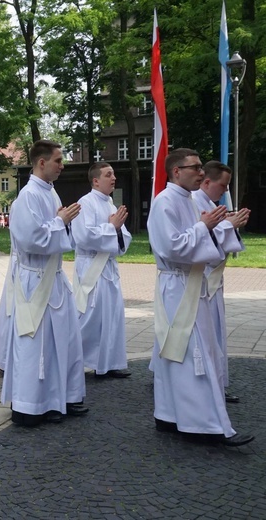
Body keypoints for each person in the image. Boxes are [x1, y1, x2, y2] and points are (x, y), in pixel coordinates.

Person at [148, 148, 252, 447]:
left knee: (182, 351)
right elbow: (171, 247)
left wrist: (223, 227)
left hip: (191, 283)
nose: (202, 173)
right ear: (176, 171)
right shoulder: (164, 202)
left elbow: (198, 238)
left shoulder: (188, 201)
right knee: (192, 353)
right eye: (195, 168)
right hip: (179, 285)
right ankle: (203, 424)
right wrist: (205, 227)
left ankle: (168, 414)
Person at [0, 139, 86, 427]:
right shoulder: (27, 197)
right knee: (36, 344)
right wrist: (60, 222)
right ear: (41, 162)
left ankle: (58, 398)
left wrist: (63, 221)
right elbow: (31, 240)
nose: (62, 165)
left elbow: (57, 232)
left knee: (63, 341)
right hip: (34, 280)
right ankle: (29, 406)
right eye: (58, 160)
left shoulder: (51, 194)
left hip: (54, 277)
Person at [193, 161, 249, 403]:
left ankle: (216, 380)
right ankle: (208, 383)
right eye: (222, 185)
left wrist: (229, 224)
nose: (224, 191)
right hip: (200, 276)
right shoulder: (195, 201)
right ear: (207, 182)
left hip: (212, 278)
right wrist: (228, 224)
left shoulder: (208, 203)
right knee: (206, 333)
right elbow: (197, 237)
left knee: (215, 329)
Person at [71, 162, 132, 378]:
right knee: (89, 316)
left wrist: (115, 229)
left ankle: (108, 363)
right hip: (90, 267)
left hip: (108, 267)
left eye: (114, 174)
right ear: (96, 180)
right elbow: (83, 236)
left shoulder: (110, 205)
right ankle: (74, 359)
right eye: (108, 175)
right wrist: (111, 227)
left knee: (112, 315)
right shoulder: (84, 203)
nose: (113, 178)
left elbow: (124, 236)